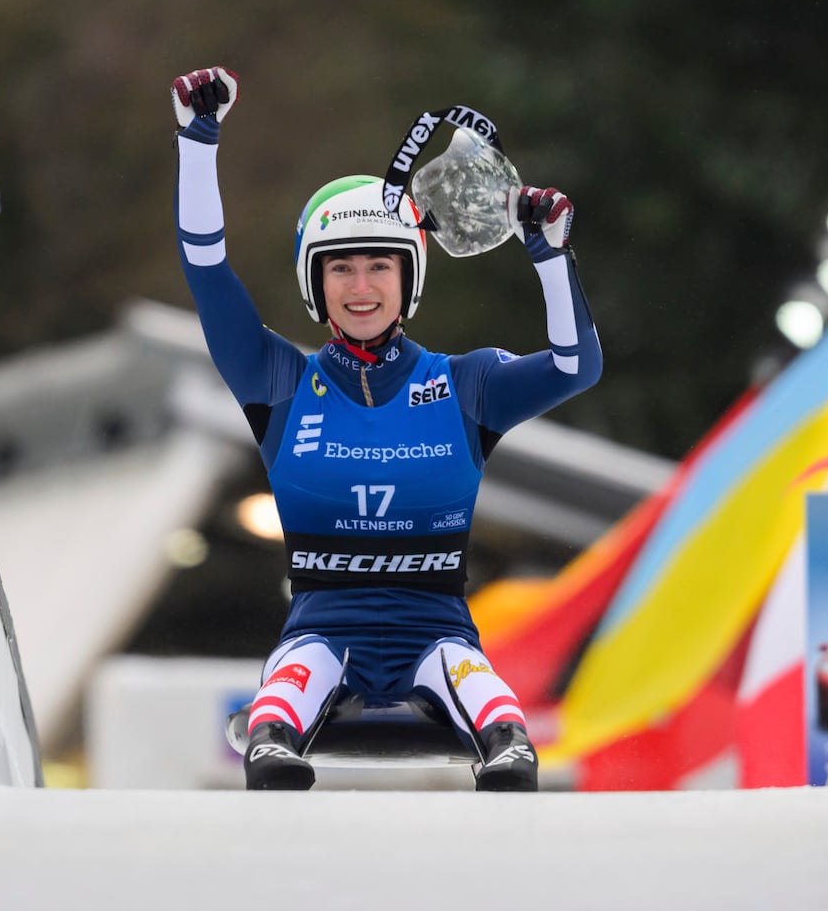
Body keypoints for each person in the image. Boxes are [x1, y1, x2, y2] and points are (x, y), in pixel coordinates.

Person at [170, 67, 601, 792]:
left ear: (409, 279)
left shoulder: (467, 385)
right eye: (340, 268)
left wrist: (550, 256)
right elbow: (205, 265)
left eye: (379, 266)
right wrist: (197, 138)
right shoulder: (277, 380)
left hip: (436, 629)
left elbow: (573, 364)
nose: (361, 286)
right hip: (320, 625)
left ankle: (503, 742)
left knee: (472, 678)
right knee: (299, 669)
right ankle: (275, 732)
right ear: (316, 284)